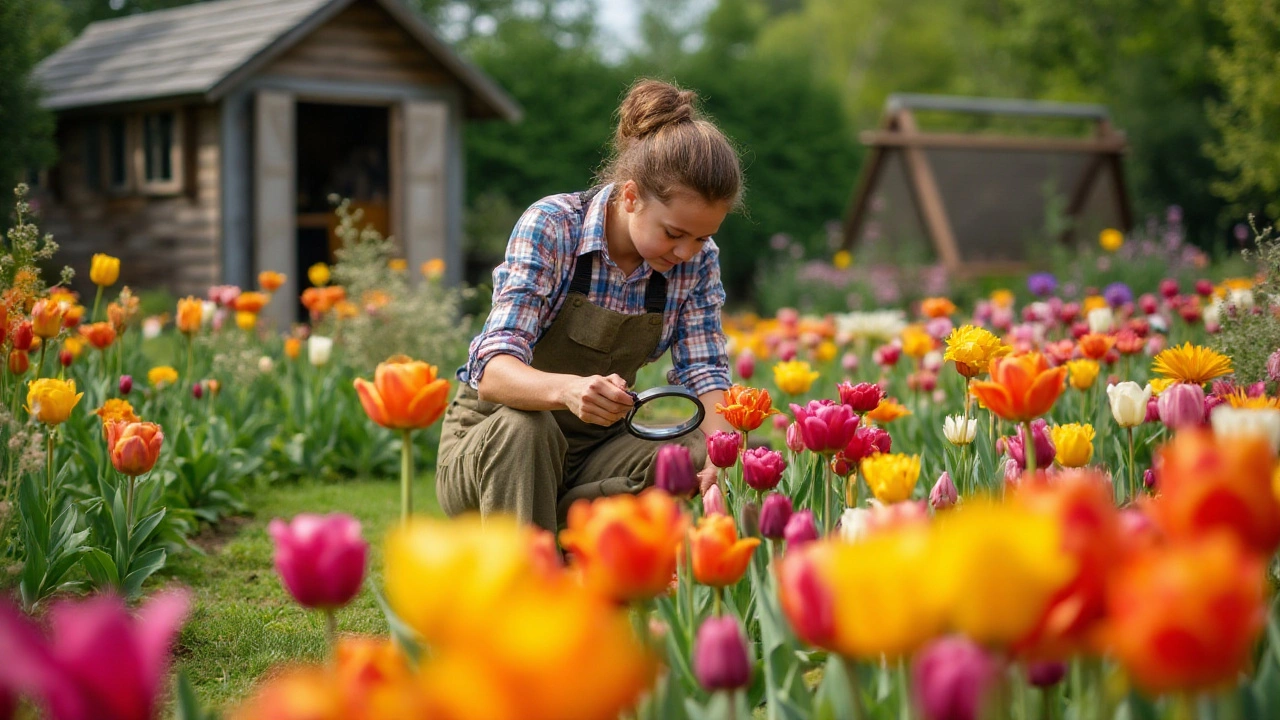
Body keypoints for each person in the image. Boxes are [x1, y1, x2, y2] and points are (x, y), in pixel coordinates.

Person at [436, 78, 742, 533]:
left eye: (702, 237)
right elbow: (492, 372)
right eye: (675, 233)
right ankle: (526, 582)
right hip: (493, 445)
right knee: (529, 428)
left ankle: (565, 537)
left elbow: (706, 372)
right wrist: (565, 391)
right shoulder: (554, 226)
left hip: (597, 451)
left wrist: (722, 450)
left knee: (692, 449)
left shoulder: (696, 261)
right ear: (632, 196)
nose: (686, 253)